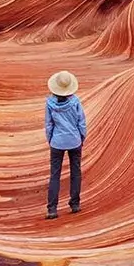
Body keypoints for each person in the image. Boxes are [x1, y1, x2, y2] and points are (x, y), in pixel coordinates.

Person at [44, 70, 86, 219]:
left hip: (57, 142)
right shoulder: (75, 102)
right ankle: (75, 204)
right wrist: (81, 137)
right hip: (74, 140)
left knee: (55, 174)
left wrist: (50, 140)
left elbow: (49, 125)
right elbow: (81, 122)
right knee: (76, 172)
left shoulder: (49, 103)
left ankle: (52, 209)